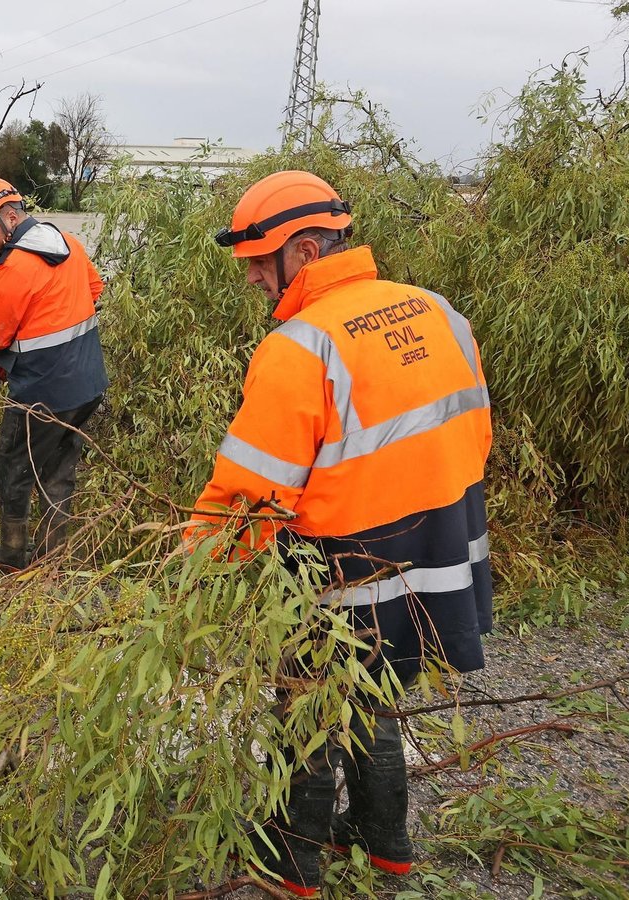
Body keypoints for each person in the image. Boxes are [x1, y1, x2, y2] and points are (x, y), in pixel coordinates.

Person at [189, 171, 494, 898]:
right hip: (442, 551)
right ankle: (386, 842)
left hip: (342, 565)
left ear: (301, 250)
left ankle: (291, 862)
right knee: (378, 694)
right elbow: (475, 434)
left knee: (303, 701)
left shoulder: (302, 347)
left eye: (259, 262)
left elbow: (249, 497)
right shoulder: (438, 311)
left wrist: (194, 568)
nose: (255, 279)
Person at [0, 176, 108, 571]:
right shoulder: (68, 243)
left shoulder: (13, 267)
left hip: (44, 393)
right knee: (58, 468)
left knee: (13, 465)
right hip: (87, 382)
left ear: (10, 216)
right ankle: (54, 555)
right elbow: (95, 290)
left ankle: (11, 554)